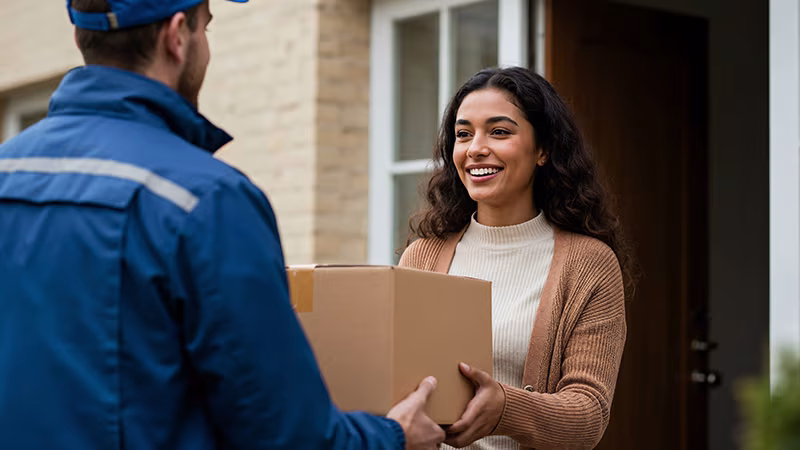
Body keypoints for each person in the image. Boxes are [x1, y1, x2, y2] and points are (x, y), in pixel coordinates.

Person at [0, 0, 445, 449]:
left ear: (80, 37)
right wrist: (393, 436)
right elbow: (285, 433)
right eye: (205, 28)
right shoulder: (206, 198)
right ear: (177, 36)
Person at [399, 67, 633, 450]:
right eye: (463, 134)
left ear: (543, 149)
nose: (475, 148)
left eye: (499, 131)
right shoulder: (422, 256)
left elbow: (589, 415)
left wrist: (507, 407)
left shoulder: (589, 264)